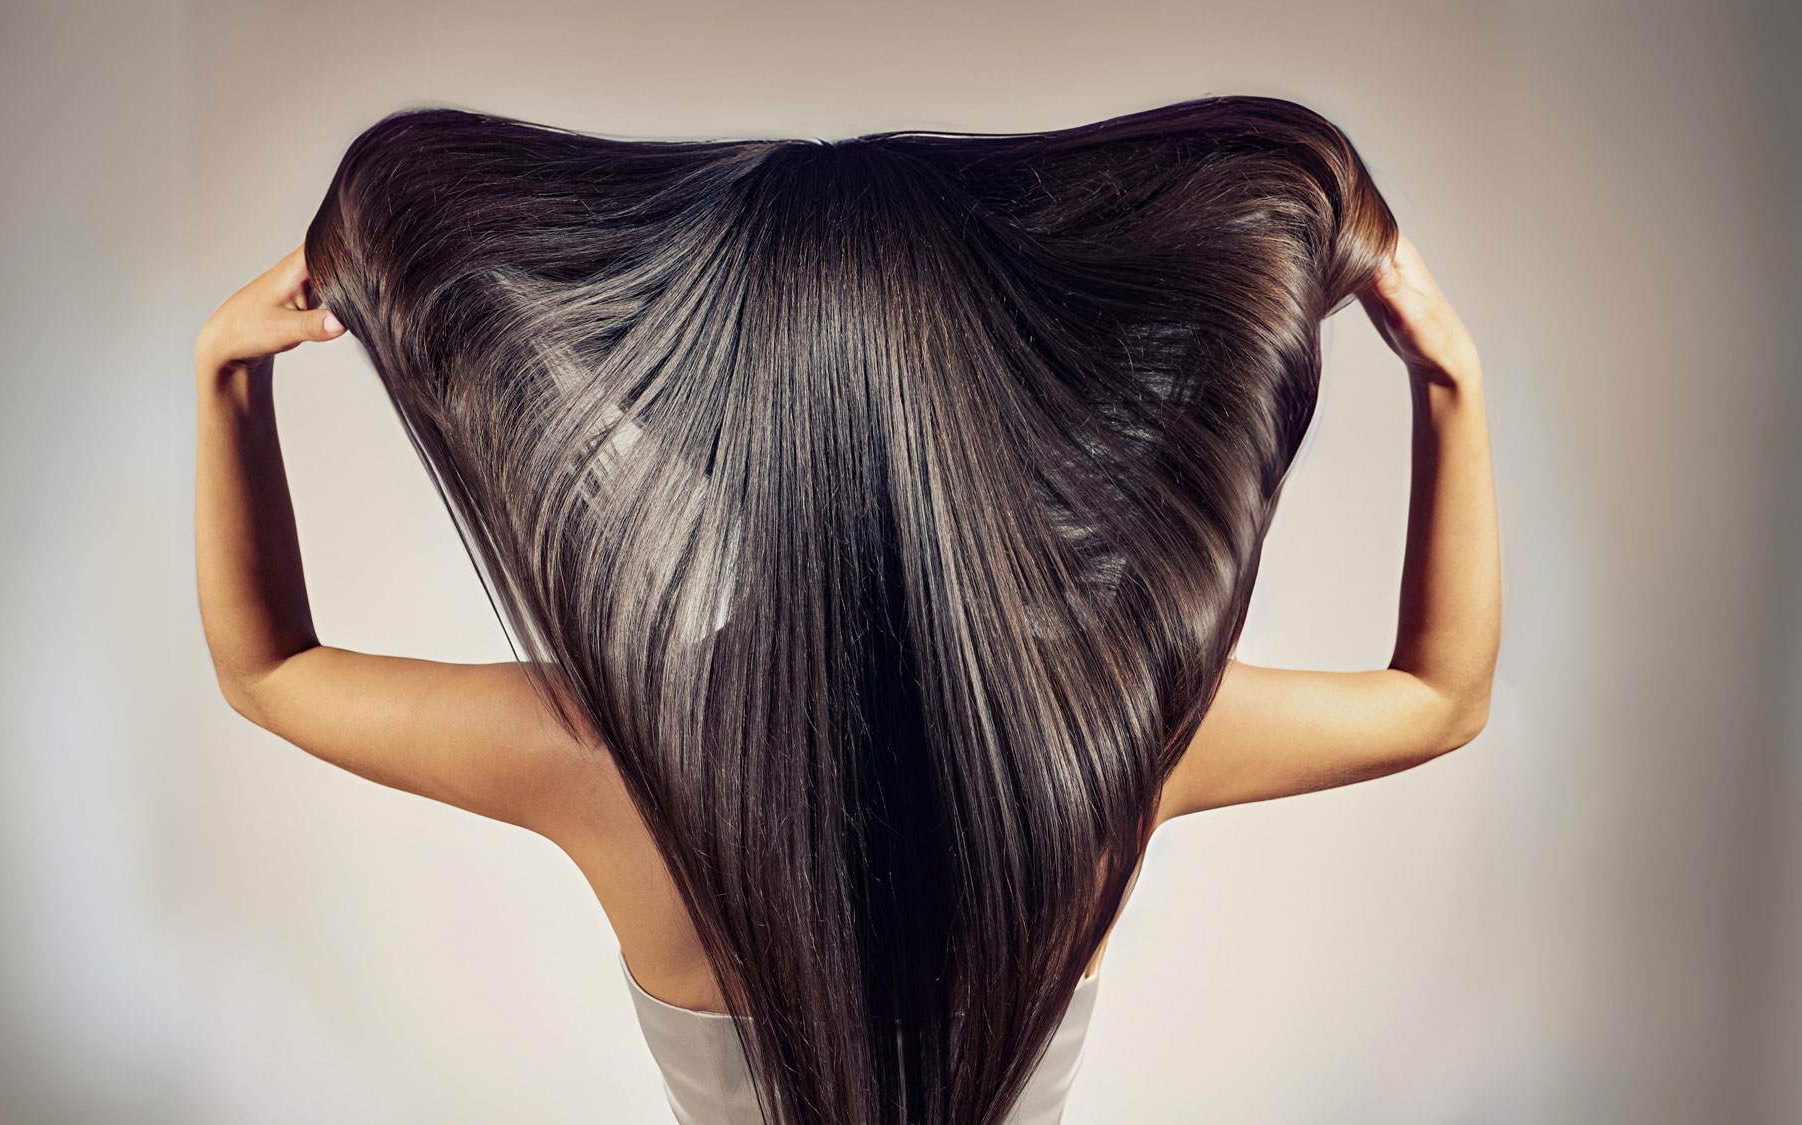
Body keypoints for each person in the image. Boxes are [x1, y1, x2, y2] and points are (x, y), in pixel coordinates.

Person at [195, 170, 1498, 1120]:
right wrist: (1451, 381)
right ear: (979, 428)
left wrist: (227, 377)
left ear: (722, 441)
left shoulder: (607, 758)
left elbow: (270, 670)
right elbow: (1439, 697)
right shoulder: (1113, 739)